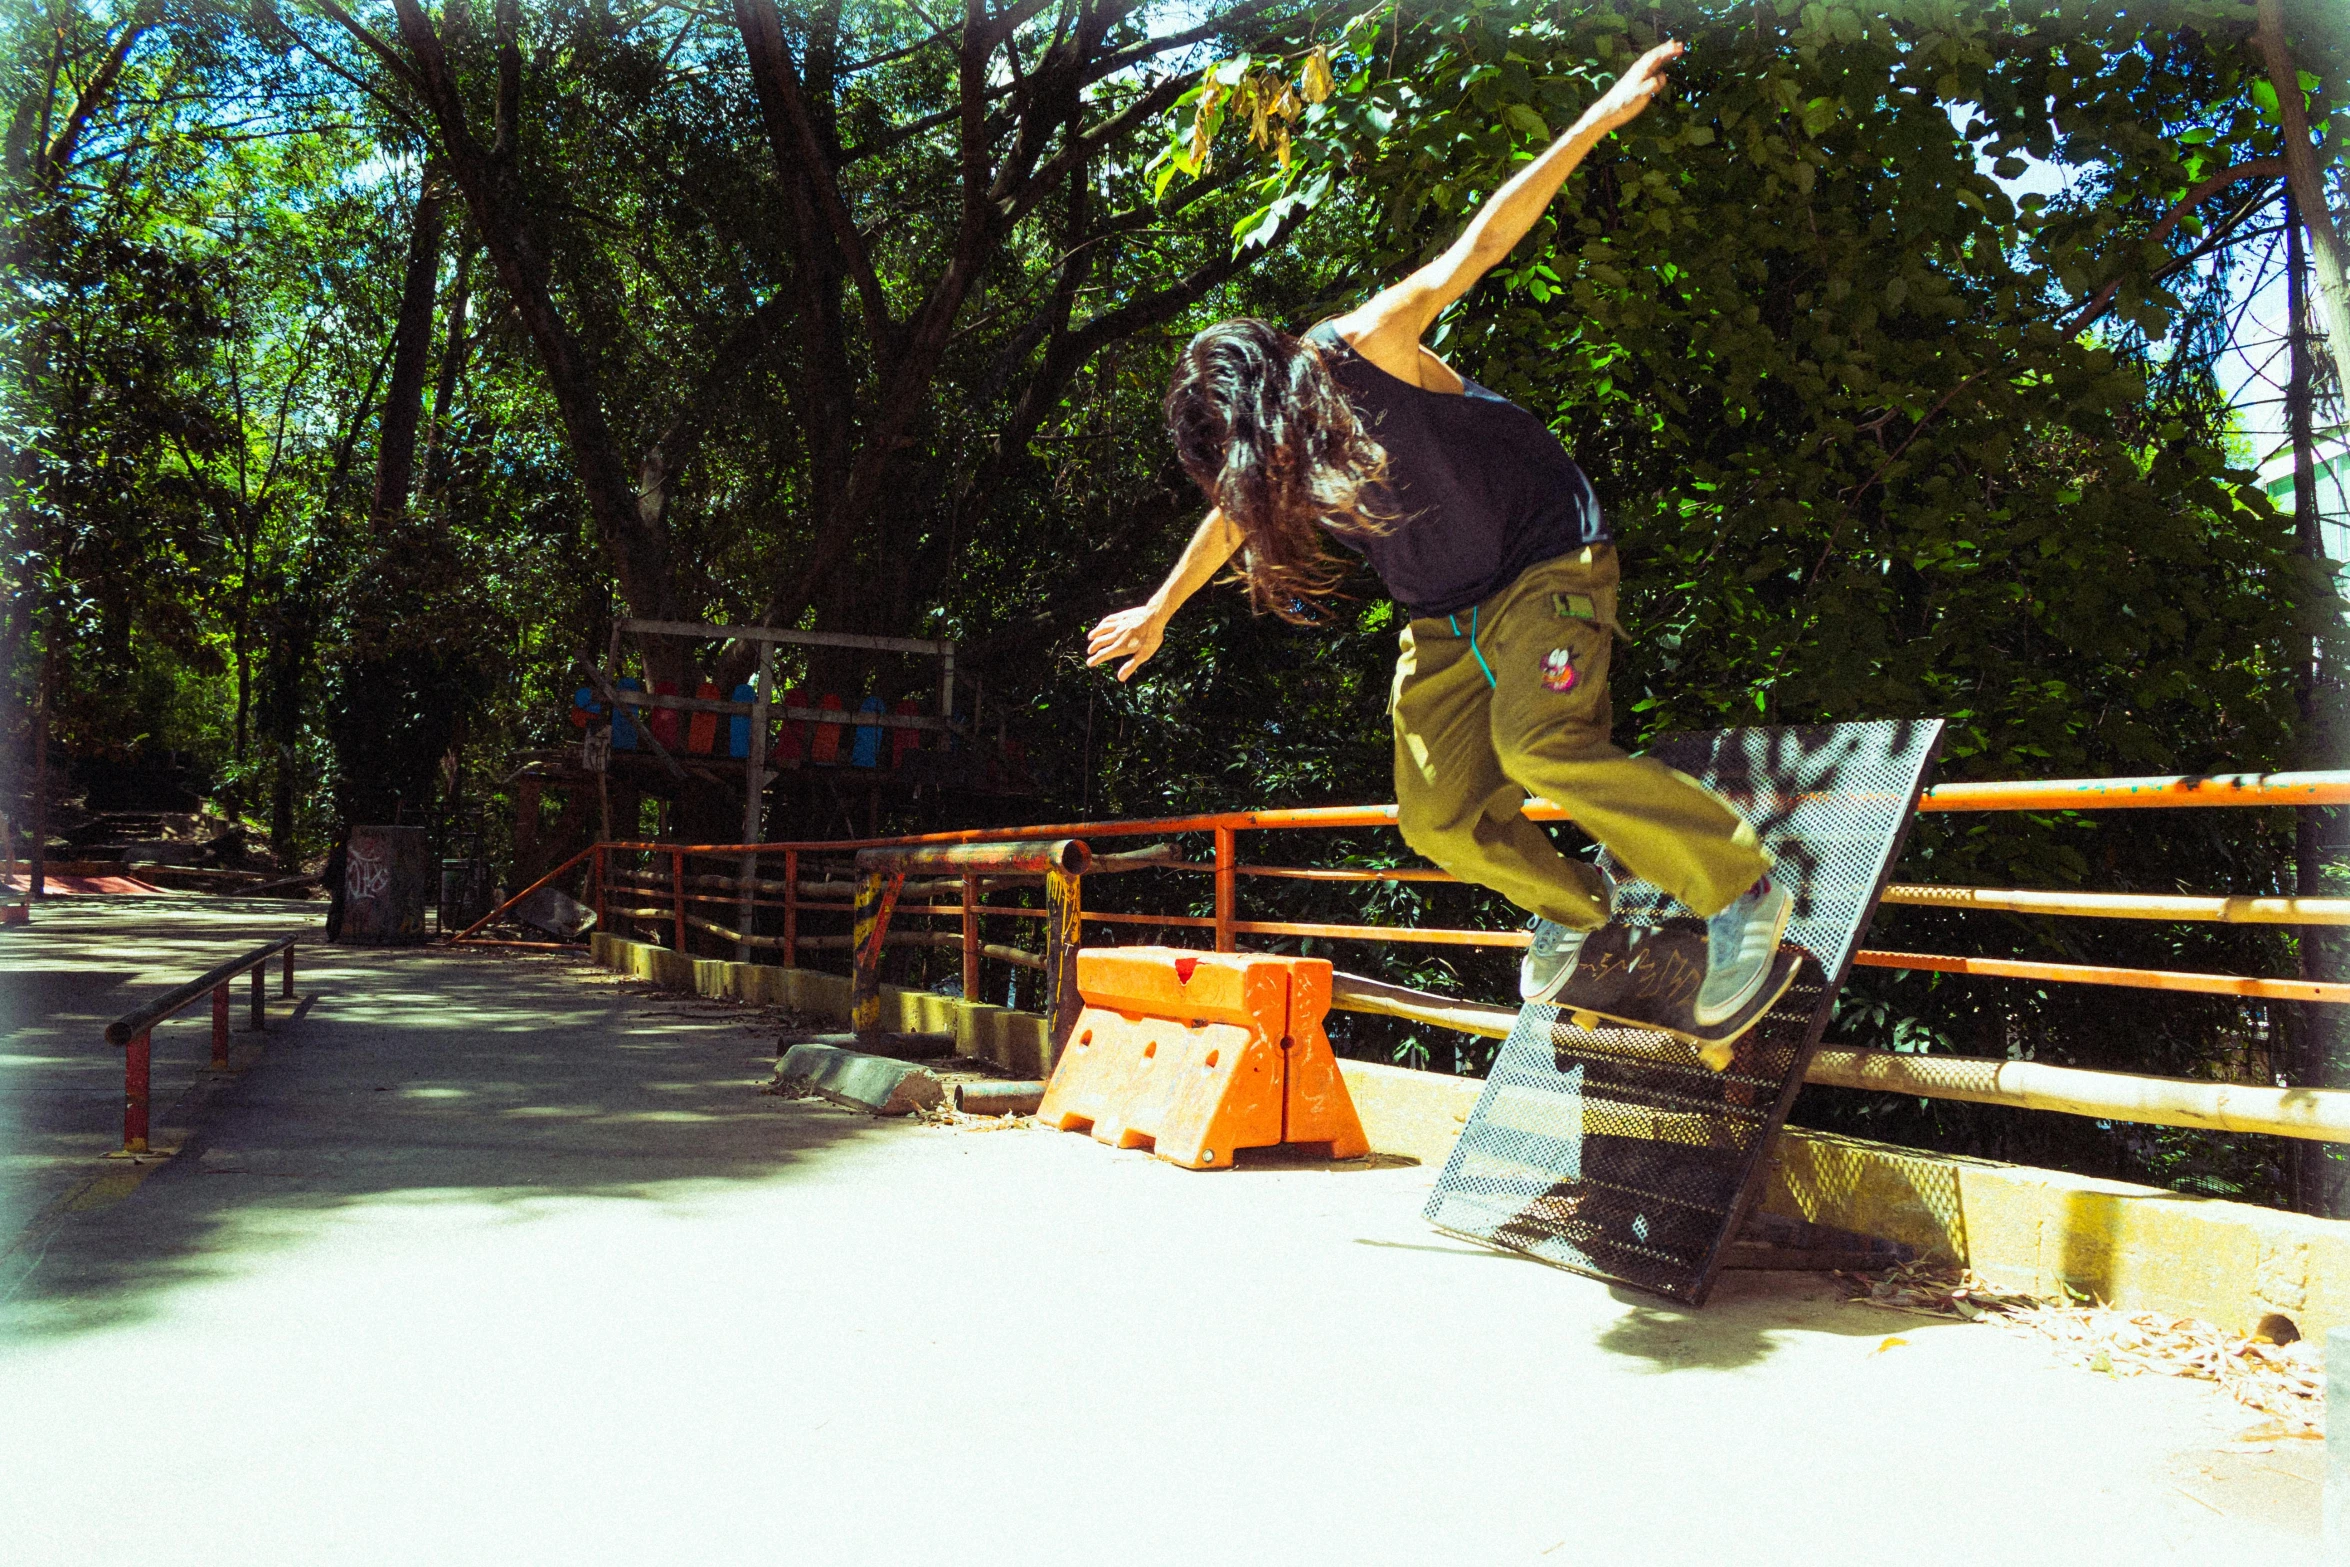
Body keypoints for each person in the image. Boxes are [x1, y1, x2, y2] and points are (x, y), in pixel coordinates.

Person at [1085, 38, 1790, 1043]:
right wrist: (1161, 608)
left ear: (1284, 390)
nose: (1272, 489)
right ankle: (1580, 903)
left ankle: (1740, 887)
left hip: (1546, 561)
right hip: (1439, 615)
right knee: (1437, 815)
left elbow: (1481, 244)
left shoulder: (1362, 343)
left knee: (1539, 743)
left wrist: (1592, 122)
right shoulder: (1264, 463)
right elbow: (1229, 518)